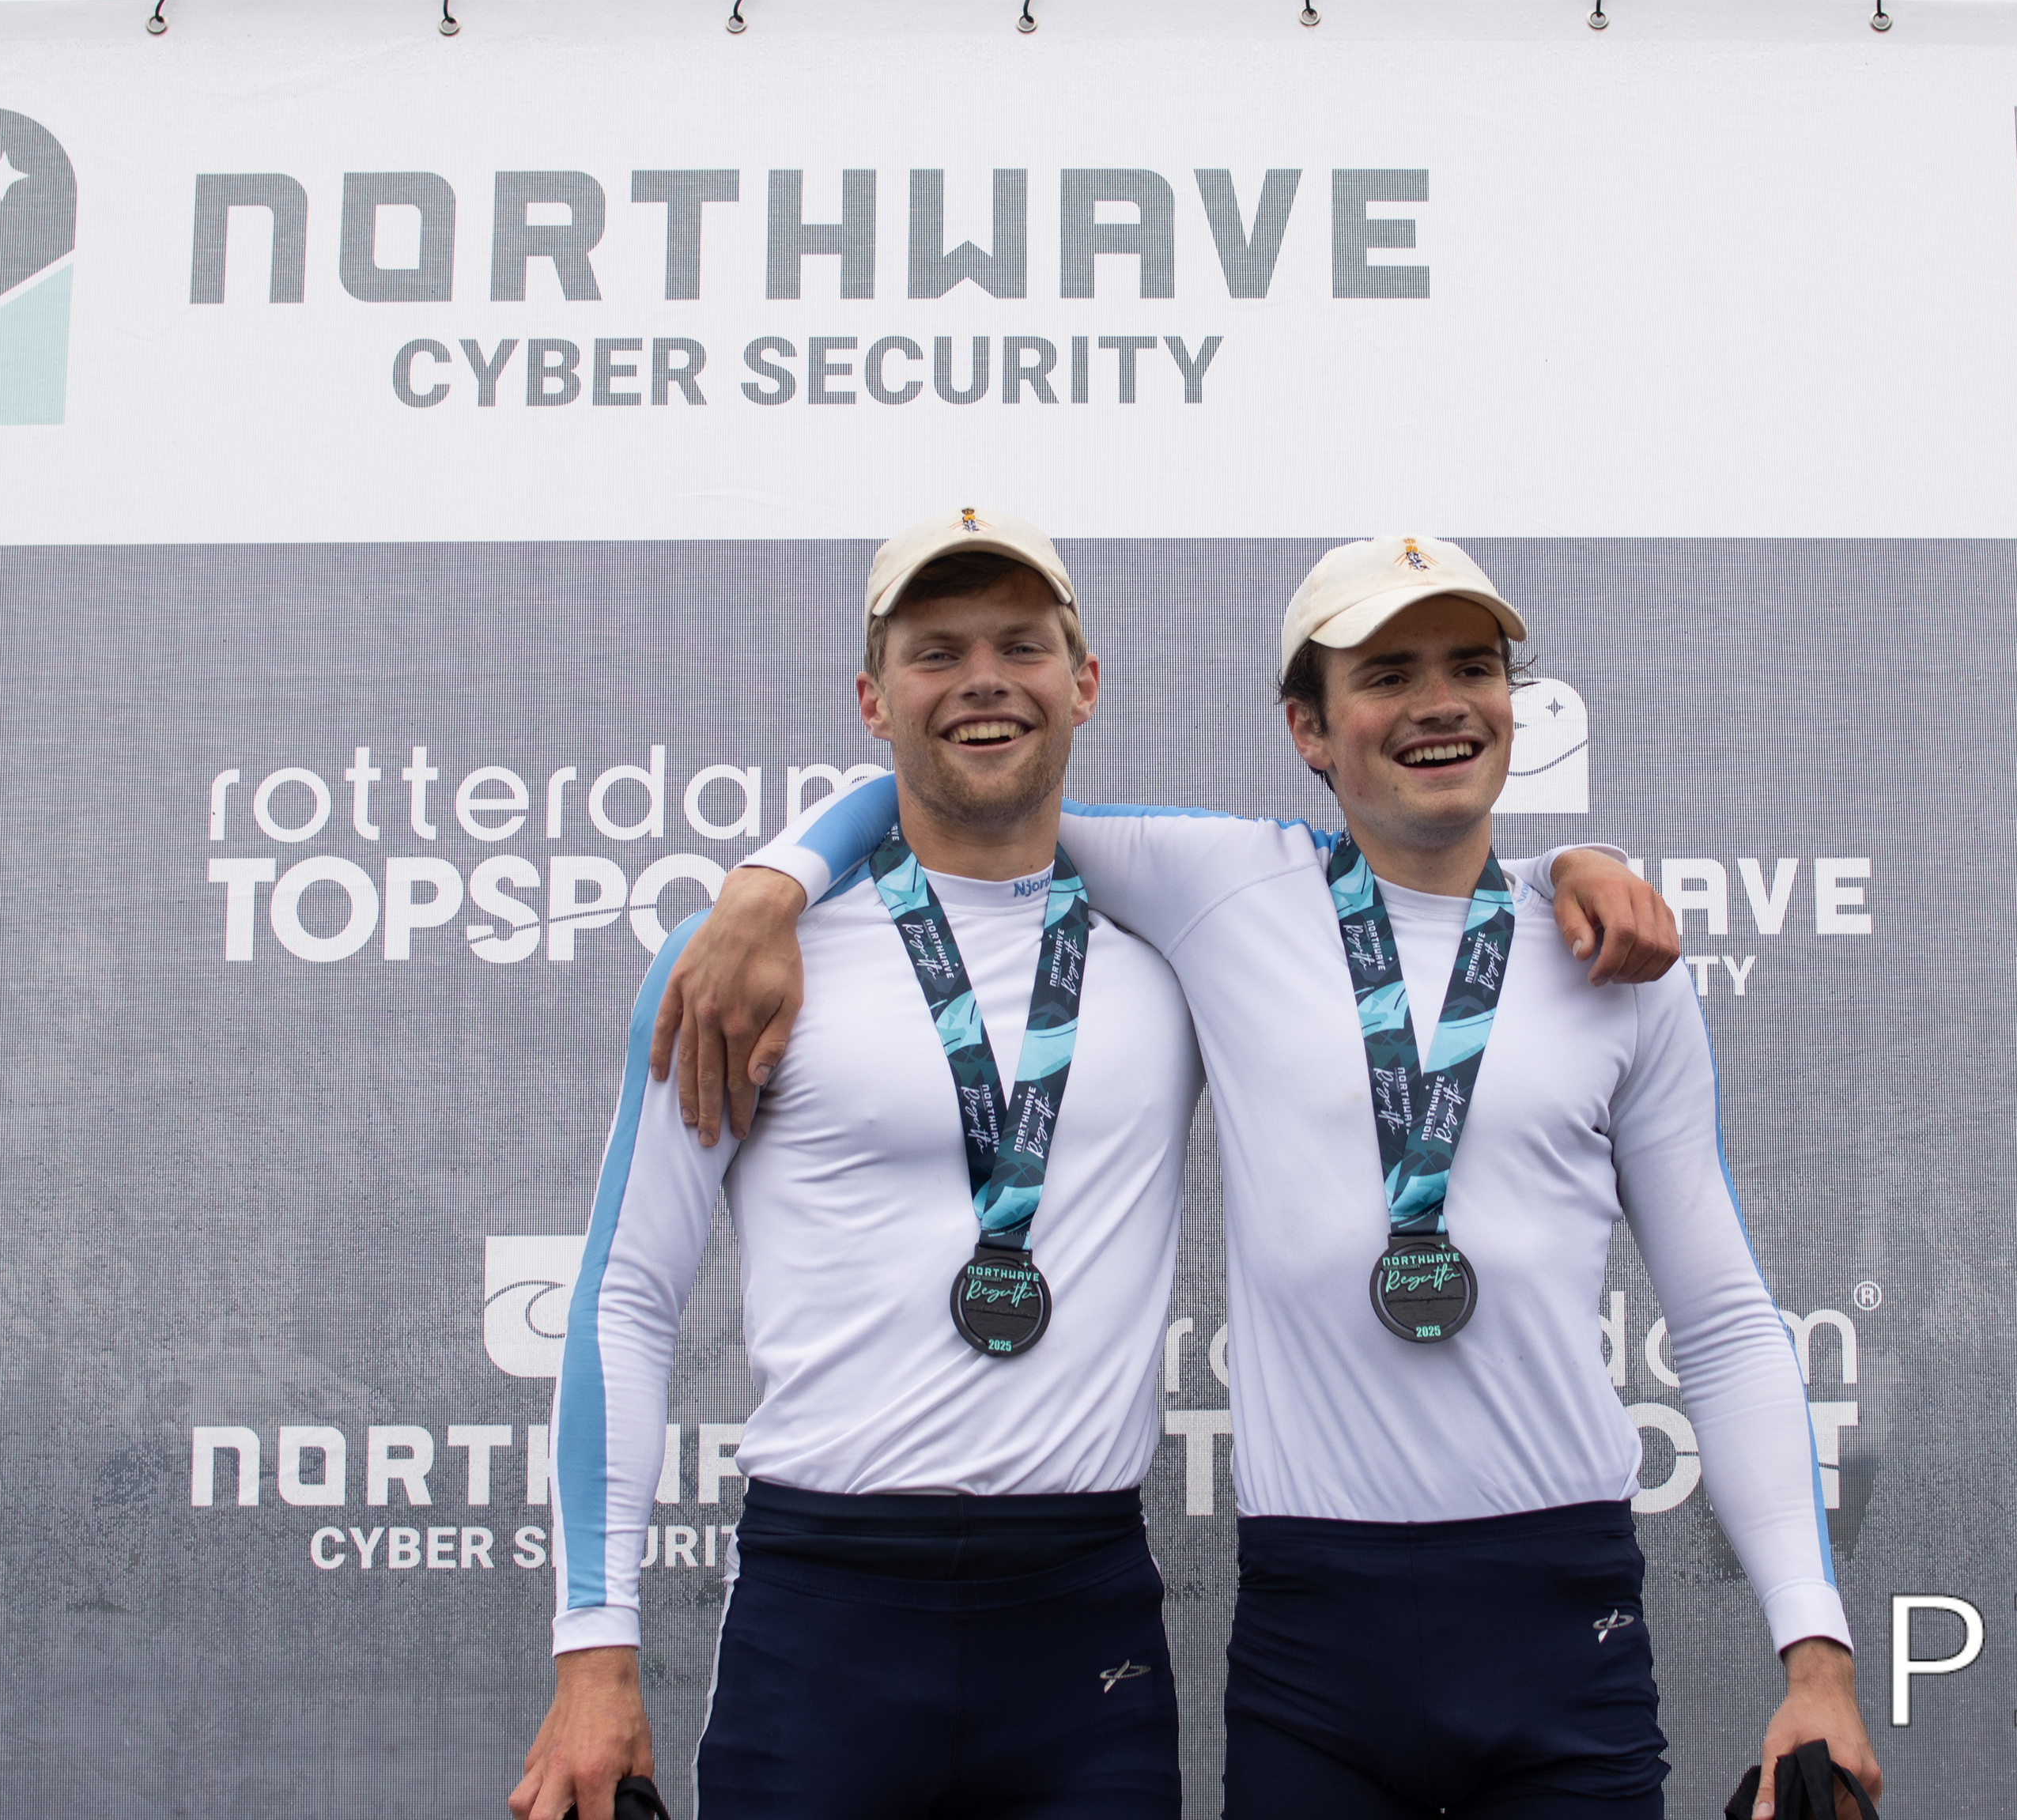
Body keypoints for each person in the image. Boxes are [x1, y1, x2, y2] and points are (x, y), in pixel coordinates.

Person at [665, 533, 1882, 1820]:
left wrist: (1815, 1653)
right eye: (1387, 675)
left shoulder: (1614, 959)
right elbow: (966, 784)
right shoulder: (1224, 889)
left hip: (1564, 1620)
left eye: (1472, 669)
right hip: (1316, 1646)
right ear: (1309, 727)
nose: (1438, 704)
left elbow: (1725, 1322)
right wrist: (770, 885)